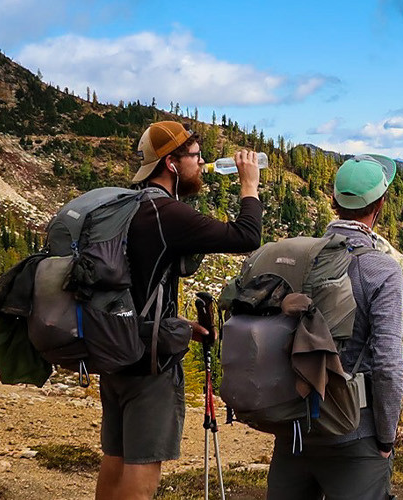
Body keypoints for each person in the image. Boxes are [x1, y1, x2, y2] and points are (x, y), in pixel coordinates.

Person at [96, 120, 264, 500]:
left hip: (115, 347)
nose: (201, 163)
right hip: (149, 363)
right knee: (142, 469)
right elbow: (247, 236)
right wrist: (249, 186)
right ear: (171, 163)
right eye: (195, 156)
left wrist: (179, 323)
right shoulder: (166, 213)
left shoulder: (128, 206)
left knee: (115, 457)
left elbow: (134, 283)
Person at [267, 154, 403, 500]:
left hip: (295, 426)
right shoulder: (382, 270)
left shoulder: (300, 257)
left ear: (333, 200)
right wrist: (386, 438)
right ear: (380, 205)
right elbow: (388, 365)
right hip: (354, 430)